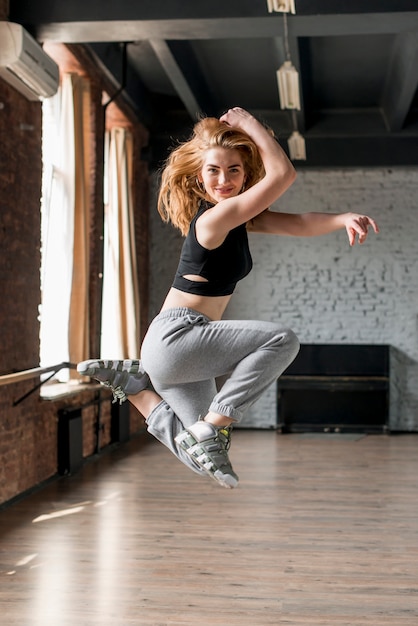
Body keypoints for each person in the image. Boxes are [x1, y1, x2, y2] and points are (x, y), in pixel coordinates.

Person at [78, 107, 379, 489]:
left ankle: (138, 391)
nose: (224, 180)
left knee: (203, 460)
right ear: (199, 178)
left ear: (245, 174)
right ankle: (213, 423)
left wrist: (342, 218)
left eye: (234, 170)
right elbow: (284, 174)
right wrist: (249, 124)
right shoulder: (211, 221)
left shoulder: (237, 219)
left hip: (180, 354)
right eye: (214, 171)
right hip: (179, 338)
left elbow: (299, 223)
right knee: (282, 339)